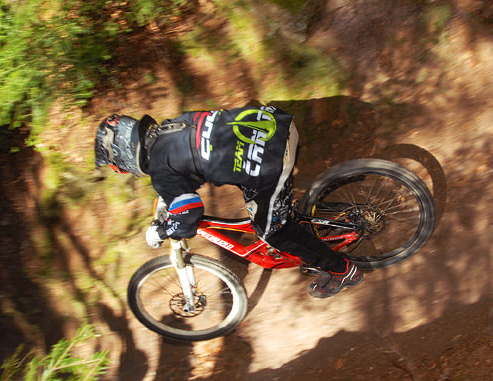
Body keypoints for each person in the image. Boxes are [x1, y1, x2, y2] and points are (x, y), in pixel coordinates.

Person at [94, 105, 362, 298]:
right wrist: (170, 198)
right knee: (256, 193)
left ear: (124, 154)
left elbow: (188, 215)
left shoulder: (161, 172)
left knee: (273, 232)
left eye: (120, 167)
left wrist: (162, 232)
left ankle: (343, 271)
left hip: (271, 158)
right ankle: (290, 214)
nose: (125, 171)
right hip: (274, 124)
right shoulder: (171, 126)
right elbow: (190, 164)